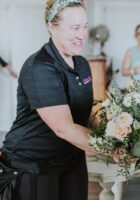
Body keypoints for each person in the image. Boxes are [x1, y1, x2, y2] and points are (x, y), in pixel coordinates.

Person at [0, 0, 97, 199]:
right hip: (33, 163)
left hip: (71, 158)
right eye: (75, 28)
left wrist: (120, 130)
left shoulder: (82, 64)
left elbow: (83, 112)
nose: (82, 35)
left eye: (85, 27)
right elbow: (63, 127)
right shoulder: (40, 67)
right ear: (51, 27)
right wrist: (111, 147)